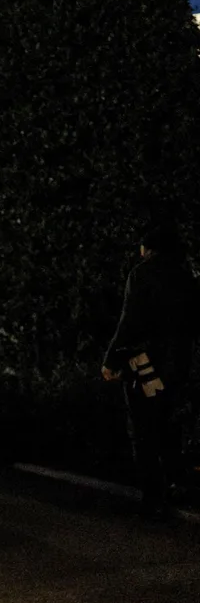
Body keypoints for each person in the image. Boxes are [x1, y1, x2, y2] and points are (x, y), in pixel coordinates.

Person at [102, 220, 200, 518]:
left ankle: (152, 495)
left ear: (148, 247)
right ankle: (176, 484)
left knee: (143, 430)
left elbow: (129, 320)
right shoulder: (187, 278)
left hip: (144, 365)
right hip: (179, 365)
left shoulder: (141, 275)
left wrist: (111, 359)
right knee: (171, 426)